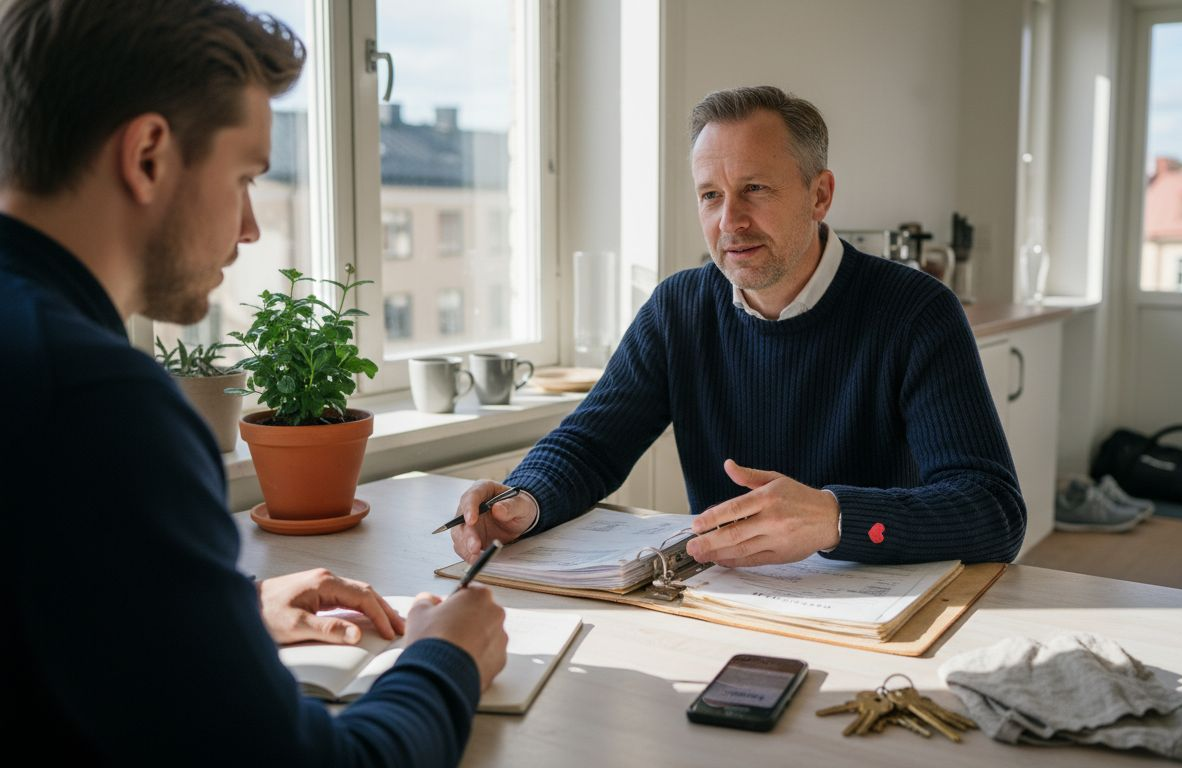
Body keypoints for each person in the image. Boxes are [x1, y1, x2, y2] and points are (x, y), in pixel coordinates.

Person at [0, 1, 506, 764]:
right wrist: (446, 659)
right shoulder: (95, 399)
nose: (250, 228)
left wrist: (216, 617)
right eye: (242, 177)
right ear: (147, 155)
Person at [452, 85, 1026, 569]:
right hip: (725, 599)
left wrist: (835, 518)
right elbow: (592, 443)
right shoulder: (679, 308)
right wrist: (524, 497)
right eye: (710, 195)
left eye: (754, 189)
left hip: (874, 610)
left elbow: (993, 511)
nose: (729, 221)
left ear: (819, 194)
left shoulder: (916, 311)